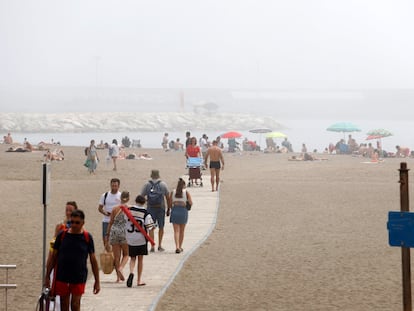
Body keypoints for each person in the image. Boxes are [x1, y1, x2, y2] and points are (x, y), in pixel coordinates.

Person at [44, 210, 100, 311]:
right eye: (72, 222)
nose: (74, 225)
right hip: (62, 276)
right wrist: (47, 276)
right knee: (64, 305)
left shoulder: (87, 238)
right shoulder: (62, 235)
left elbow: (93, 260)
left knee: (75, 304)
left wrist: (97, 281)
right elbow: (53, 257)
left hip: (79, 276)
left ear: (83, 223)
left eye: (77, 222)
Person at [125, 195, 155, 287]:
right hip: (141, 239)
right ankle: (138, 280)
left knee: (132, 258)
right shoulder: (146, 213)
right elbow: (150, 228)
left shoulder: (129, 211)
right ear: (144, 202)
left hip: (130, 238)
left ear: (136, 201)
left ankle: (131, 272)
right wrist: (152, 242)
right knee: (140, 259)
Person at [141, 169, 170, 252]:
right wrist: (169, 208)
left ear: (151, 175)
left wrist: (147, 202)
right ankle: (160, 245)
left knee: (151, 227)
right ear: (158, 175)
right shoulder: (163, 184)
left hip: (150, 208)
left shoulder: (147, 185)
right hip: (160, 208)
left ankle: (152, 245)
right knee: (161, 227)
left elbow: (141, 196)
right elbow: (168, 197)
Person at [105, 191, 130, 282]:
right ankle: (121, 268)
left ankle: (118, 278)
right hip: (125, 232)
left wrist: (107, 234)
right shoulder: (130, 208)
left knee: (116, 256)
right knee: (126, 254)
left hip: (114, 231)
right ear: (128, 198)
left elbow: (110, 222)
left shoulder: (115, 209)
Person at [167, 178, 193, 253]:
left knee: (176, 231)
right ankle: (180, 246)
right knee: (182, 231)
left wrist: (170, 209)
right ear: (184, 185)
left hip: (175, 210)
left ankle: (177, 246)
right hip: (183, 211)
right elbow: (191, 202)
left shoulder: (173, 192)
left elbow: (170, 203)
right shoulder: (186, 192)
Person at [98, 178, 121, 248]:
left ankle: (115, 255)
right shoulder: (105, 195)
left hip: (117, 221)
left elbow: (124, 208)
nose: (114, 187)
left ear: (118, 186)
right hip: (106, 220)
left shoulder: (121, 195)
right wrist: (105, 213)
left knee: (117, 240)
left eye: (115, 186)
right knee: (105, 239)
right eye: (112, 185)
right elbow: (100, 208)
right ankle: (109, 253)